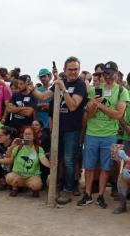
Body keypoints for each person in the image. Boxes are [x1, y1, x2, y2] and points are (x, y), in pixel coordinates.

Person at [32, 56, 88, 204]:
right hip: (58, 129)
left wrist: (63, 89)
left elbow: (73, 105)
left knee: (69, 160)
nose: (73, 72)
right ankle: (60, 185)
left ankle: (69, 189)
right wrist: (31, 88)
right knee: (58, 159)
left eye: (76, 69)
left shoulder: (80, 85)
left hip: (72, 130)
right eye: (70, 69)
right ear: (64, 70)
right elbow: (43, 96)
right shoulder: (59, 82)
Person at [78, 61, 129, 209]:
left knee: (107, 167)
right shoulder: (95, 90)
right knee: (89, 166)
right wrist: (93, 105)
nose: (107, 77)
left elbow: (119, 114)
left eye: (110, 74)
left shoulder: (121, 91)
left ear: (116, 74)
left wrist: (100, 105)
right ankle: (87, 194)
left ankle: (100, 195)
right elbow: (89, 115)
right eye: (105, 74)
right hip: (92, 134)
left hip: (110, 135)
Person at [3, 126, 51, 197]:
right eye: (25, 134)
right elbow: (8, 156)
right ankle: (15, 188)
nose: (27, 136)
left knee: (37, 185)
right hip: (18, 175)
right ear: (23, 135)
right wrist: (12, 146)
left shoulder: (38, 148)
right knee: (9, 178)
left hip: (32, 176)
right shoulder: (18, 147)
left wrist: (50, 165)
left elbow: (43, 159)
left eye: (29, 134)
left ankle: (34, 190)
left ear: (34, 136)